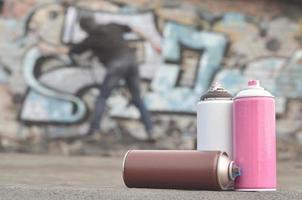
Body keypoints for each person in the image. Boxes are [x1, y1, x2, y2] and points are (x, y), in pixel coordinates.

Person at [51, 15, 161, 141]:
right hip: (132, 63)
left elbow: (69, 50)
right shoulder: (112, 26)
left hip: (116, 66)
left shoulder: (91, 40)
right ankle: (151, 130)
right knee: (137, 98)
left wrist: (49, 49)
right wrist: (153, 42)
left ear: (85, 29)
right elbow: (134, 29)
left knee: (102, 98)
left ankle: (94, 131)